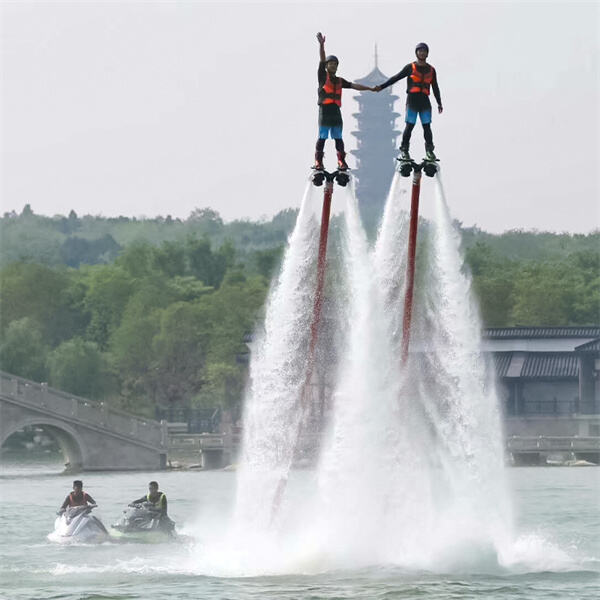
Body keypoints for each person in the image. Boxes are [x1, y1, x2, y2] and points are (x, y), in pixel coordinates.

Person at [314, 32, 376, 171]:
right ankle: (318, 161)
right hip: (325, 111)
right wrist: (322, 46)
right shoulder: (323, 77)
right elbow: (322, 59)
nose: (333, 66)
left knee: (338, 137)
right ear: (327, 65)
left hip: (336, 111)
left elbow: (354, 86)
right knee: (322, 136)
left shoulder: (340, 81)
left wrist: (370, 89)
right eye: (331, 63)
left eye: (335, 64)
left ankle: (341, 161)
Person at [375, 42, 443, 161]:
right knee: (410, 125)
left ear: (427, 53)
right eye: (420, 50)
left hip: (425, 101)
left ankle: (429, 151)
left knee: (427, 126)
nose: (422, 53)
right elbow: (396, 78)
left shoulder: (431, 70)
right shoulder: (410, 67)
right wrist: (382, 87)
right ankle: (404, 150)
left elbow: (435, 87)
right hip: (412, 100)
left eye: (424, 51)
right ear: (416, 53)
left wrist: (439, 102)